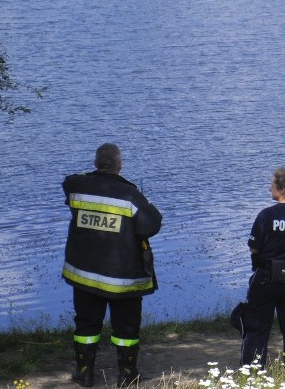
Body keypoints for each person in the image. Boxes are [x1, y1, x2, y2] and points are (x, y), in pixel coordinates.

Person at [62, 143, 162, 387]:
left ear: (95, 163)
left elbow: (68, 182)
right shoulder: (130, 195)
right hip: (122, 279)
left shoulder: (77, 186)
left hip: (85, 274)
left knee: (86, 324)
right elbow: (151, 225)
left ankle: (85, 373)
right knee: (126, 328)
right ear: (120, 165)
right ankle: (127, 375)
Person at [233, 167, 285, 367]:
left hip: (266, 277)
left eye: (272, 185)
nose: (269, 188)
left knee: (257, 327)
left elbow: (254, 247)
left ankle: (253, 372)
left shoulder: (266, 215)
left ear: (282, 189)